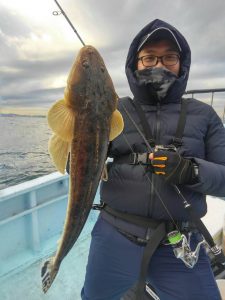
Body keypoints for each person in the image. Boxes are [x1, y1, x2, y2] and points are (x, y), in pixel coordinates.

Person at [80, 19, 225, 300]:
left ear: (182, 63)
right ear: (135, 63)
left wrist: (191, 171)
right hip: (115, 234)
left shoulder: (205, 116)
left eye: (169, 56)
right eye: (149, 57)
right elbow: (80, 159)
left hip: (178, 241)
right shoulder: (114, 110)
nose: (158, 63)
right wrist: (76, 154)